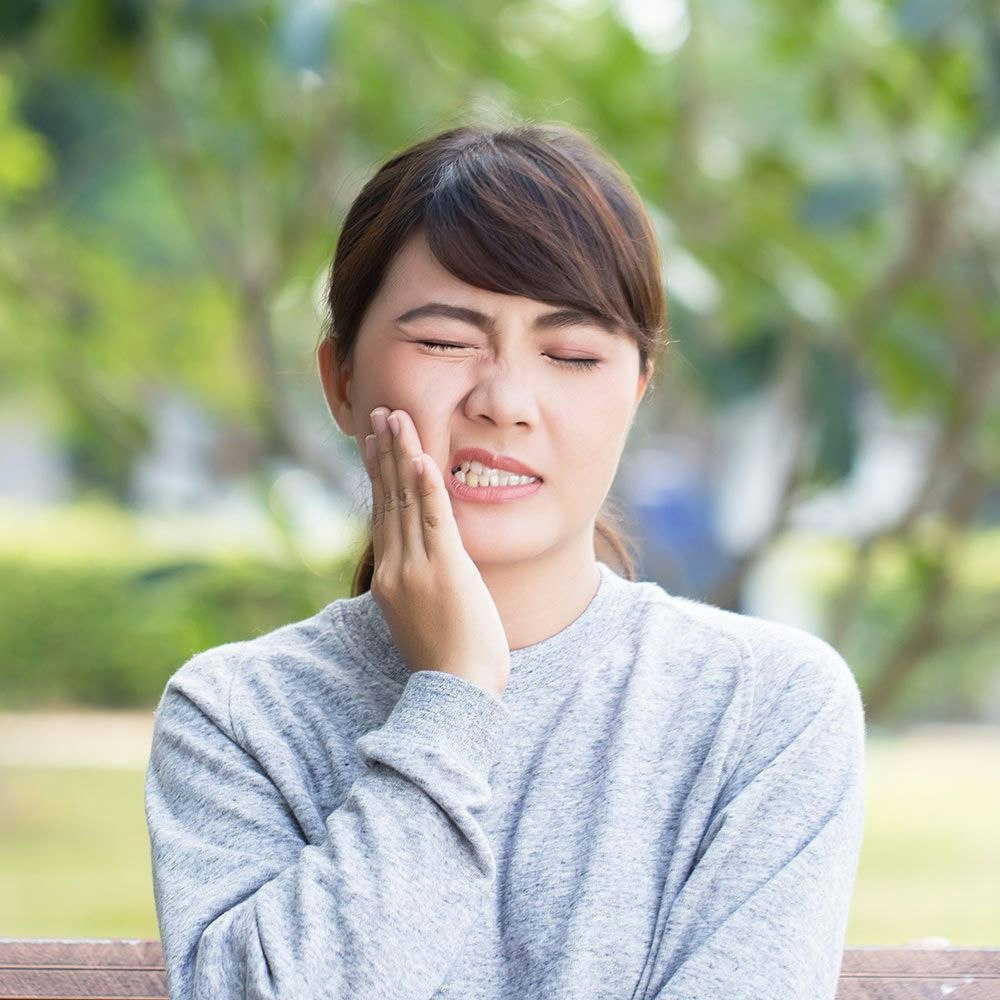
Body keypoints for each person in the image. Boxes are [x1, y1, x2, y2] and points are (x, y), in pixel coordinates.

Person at [144, 120, 866, 1000]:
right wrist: (452, 699)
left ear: (636, 393)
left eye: (571, 354)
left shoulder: (768, 709)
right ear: (340, 380)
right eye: (447, 341)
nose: (507, 402)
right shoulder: (237, 718)